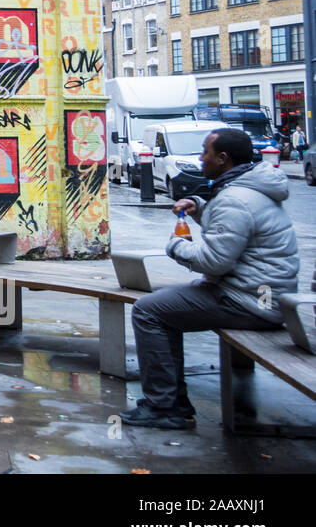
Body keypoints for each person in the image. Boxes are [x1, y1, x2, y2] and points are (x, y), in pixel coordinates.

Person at [120, 127, 298, 429]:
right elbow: (234, 232)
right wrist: (201, 209)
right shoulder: (249, 189)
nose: (201, 158)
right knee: (163, 308)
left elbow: (214, 262)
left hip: (247, 301)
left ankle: (165, 407)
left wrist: (176, 246)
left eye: (206, 152)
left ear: (223, 158)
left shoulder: (235, 198)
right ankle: (170, 402)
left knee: (148, 311)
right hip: (261, 295)